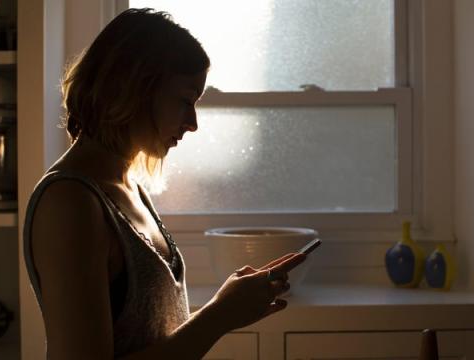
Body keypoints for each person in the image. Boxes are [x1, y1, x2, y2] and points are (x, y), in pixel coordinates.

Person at [22, 8, 306, 359]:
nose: (193, 123)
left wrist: (228, 306)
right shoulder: (69, 203)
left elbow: (150, 337)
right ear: (133, 88)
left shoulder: (130, 187)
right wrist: (218, 317)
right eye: (185, 101)